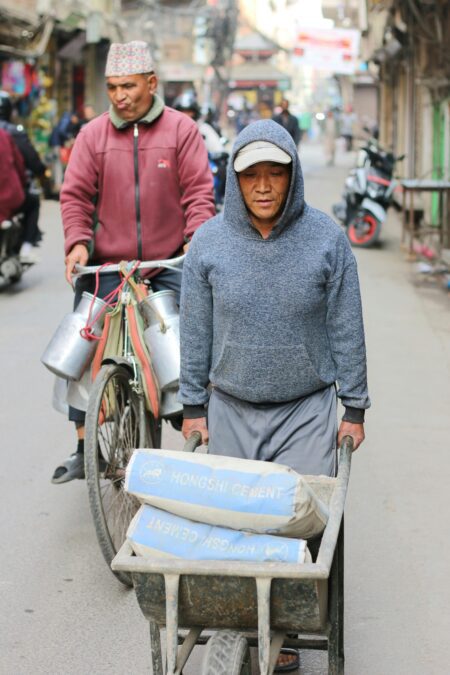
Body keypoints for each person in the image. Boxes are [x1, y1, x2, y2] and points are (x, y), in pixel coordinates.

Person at [179, 120, 369, 669]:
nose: (263, 186)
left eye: (275, 174)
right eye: (251, 175)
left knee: (298, 527)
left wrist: (353, 406)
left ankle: (280, 628)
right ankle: (244, 626)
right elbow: (196, 331)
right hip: (231, 404)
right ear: (235, 181)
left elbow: (346, 327)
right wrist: (194, 406)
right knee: (235, 528)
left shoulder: (327, 239)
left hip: (306, 409)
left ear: (293, 177)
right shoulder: (210, 243)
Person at [51, 40, 215, 484]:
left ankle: (192, 429)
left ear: (151, 83)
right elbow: (76, 196)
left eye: (128, 86)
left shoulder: (181, 131)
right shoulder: (92, 136)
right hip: (109, 267)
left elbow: (200, 194)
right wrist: (78, 243)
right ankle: (86, 444)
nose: (120, 95)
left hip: (167, 264)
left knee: (182, 341)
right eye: (112, 87)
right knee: (81, 340)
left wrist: (197, 239)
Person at [0, 90, 48, 262]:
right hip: (7, 198)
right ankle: (26, 249)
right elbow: (24, 164)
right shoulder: (9, 134)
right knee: (33, 202)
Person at [0, 127, 26, 224]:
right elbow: (19, 163)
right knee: (34, 202)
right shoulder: (4, 134)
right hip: (9, 196)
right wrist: (24, 180)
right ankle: (28, 239)